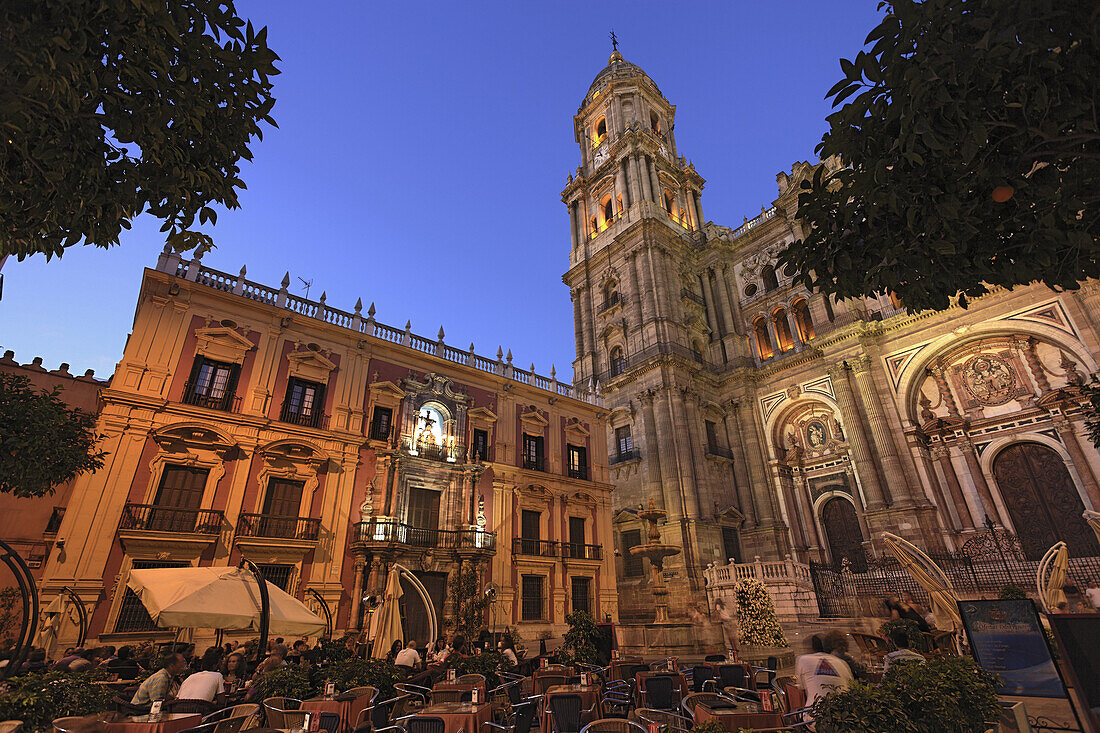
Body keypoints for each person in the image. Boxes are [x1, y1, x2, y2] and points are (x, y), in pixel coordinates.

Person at [795, 634, 854, 720]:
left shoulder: (803, 659)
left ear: (811, 648)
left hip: (815, 720)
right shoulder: (842, 663)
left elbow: (800, 687)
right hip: (846, 720)